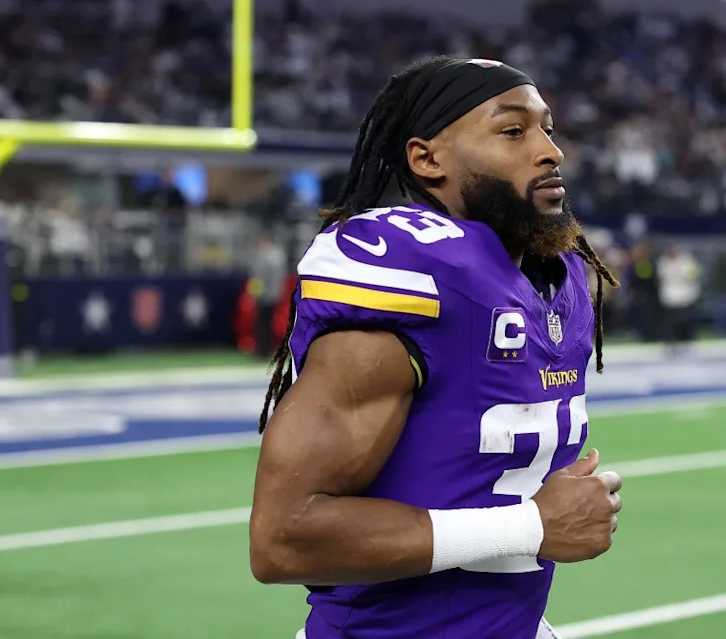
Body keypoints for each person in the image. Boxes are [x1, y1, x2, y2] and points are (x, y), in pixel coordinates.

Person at [249, 56, 622, 639]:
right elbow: (283, 538)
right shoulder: (414, 276)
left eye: (547, 127)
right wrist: (528, 528)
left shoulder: (554, 278)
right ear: (428, 159)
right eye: (512, 130)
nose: (551, 151)